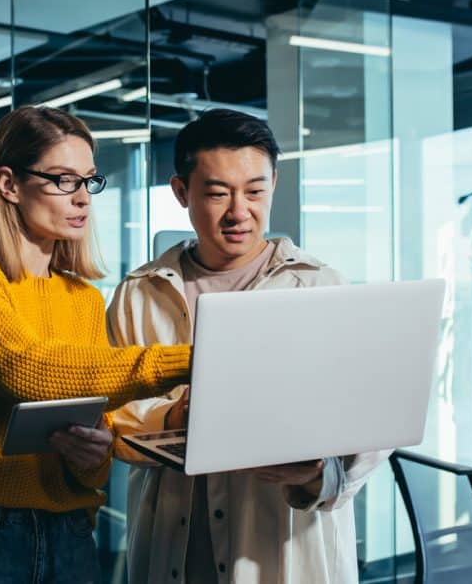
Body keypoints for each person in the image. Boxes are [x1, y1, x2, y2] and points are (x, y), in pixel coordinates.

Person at [0, 105, 191, 584]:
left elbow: (94, 432)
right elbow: (23, 371)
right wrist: (189, 361)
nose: (83, 198)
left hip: (69, 536)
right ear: (8, 184)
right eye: (63, 180)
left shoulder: (81, 298)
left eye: (89, 181)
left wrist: (93, 454)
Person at [108, 109, 388, 584]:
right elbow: (111, 413)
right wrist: (175, 419)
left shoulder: (321, 286)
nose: (239, 212)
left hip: (282, 547)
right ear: (181, 192)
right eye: (217, 193)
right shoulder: (139, 293)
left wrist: (315, 475)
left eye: (255, 191)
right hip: (173, 544)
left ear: (274, 183)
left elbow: (373, 429)